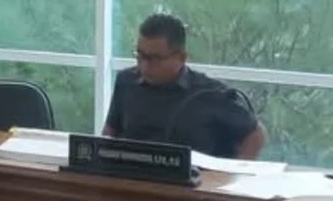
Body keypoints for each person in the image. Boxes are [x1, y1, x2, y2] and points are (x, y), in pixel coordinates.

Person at [102, 14, 267, 160]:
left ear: (181, 58)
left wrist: (231, 176)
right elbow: (110, 132)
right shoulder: (126, 81)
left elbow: (256, 135)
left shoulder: (210, 93)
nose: (144, 66)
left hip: (194, 183)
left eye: (155, 59)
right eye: (140, 55)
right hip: (132, 179)